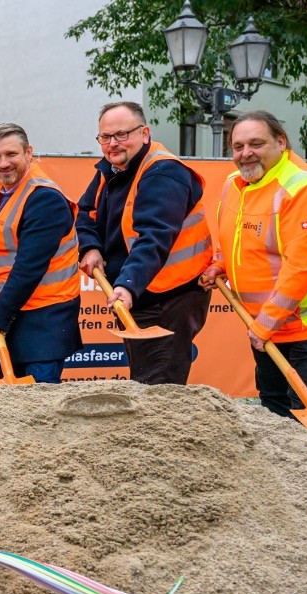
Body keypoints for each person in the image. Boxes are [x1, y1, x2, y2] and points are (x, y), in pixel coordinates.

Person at [199, 110, 307, 418]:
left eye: (256, 144)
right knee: (273, 401)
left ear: (281, 142)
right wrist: (220, 264)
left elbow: (301, 267)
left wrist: (265, 323)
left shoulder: (305, 190)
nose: (246, 153)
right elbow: (232, 237)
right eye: (238, 146)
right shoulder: (236, 182)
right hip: (268, 322)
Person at [75, 101, 213, 384]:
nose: (113, 143)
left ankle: (166, 428)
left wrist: (127, 285)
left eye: (122, 135)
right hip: (139, 292)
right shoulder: (111, 170)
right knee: (144, 377)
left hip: (168, 295)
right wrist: (90, 246)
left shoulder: (163, 173)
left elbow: (154, 237)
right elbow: (85, 213)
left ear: (145, 133)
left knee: (158, 387)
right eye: (105, 137)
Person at [0, 123, 81, 383]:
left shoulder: (44, 198)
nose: (3, 163)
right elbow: (5, 242)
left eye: (11, 154)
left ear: (29, 153)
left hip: (44, 319)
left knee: (40, 410)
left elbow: (29, 267)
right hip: (16, 312)